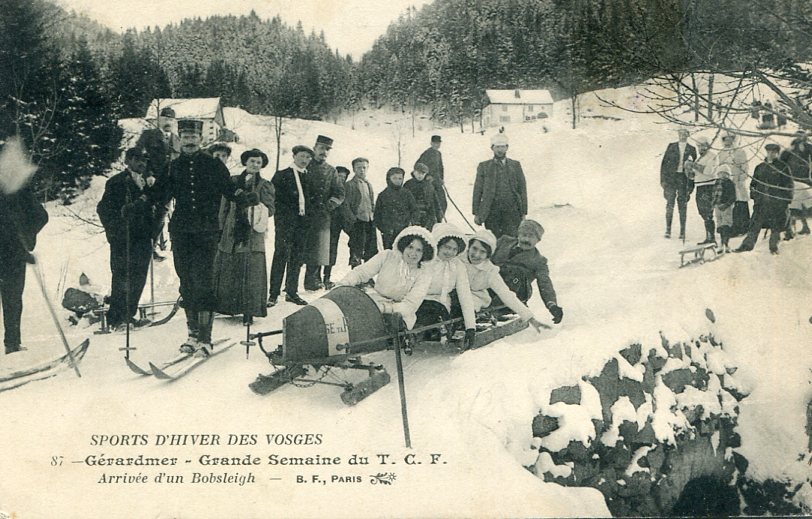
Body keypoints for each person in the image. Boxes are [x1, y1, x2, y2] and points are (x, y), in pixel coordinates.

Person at [147, 119, 255, 354]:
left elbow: (229, 188)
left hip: (206, 232)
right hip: (181, 231)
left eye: (193, 137)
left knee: (203, 282)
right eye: (185, 137)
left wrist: (244, 196)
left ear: (201, 139)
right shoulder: (172, 167)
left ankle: (205, 337)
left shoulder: (213, 165)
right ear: (180, 139)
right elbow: (160, 194)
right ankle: (192, 335)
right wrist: (140, 198)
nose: (189, 141)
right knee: (186, 282)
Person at [96, 147, 159, 331]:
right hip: (123, 239)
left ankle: (129, 316)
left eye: (144, 160)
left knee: (139, 277)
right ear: (128, 161)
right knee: (123, 276)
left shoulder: (148, 184)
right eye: (136, 159)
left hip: (143, 238)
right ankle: (117, 319)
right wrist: (115, 232)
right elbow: (103, 210)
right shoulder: (116, 182)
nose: (141, 163)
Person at [213, 148, 275, 325]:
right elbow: (224, 207)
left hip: (252, 233)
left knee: (251, 271)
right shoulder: (232, 181)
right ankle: (228, 307)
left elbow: (270, 210)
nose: (255, 164)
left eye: (258, 162)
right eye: (252, 161)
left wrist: (259, 203)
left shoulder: (265, 185)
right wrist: (221, 228)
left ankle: (249, 311)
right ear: (245, 162)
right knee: (229, 267)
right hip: (231, 231)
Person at [336, 225, 435, 330]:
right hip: (375, 302)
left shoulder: (424, 273)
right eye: (410, 247)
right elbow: (361, 273)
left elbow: (411, 305)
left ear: (424, 253)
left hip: (398, 313)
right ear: (403, 246)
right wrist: (343, 284)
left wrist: (385, 308)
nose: (413, 253)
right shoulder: (387, 256)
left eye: (419, 250)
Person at [463, 228, 547, 332]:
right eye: (474, 249)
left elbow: (506, 294)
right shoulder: (458, 260)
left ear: (488, 255)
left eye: (482, 252)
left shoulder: (490, 271)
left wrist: (530, 318)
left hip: (475, 298)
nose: (476, 255)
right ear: (469, 247)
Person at [0, 184, 48, 354]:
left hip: (12, 255)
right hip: (13, 254)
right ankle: (12, 343)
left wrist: (26, 239)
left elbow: (41, 216)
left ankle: (12, 343)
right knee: (12, 299)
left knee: (12, 299)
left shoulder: (19, 190)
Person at [413, 223, 477, 349]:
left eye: (454, 249)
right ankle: (413, 334)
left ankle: (421, 334)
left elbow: (465, 296)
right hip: (418, 303)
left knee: (437, 313)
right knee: (425, 312)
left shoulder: (457, 266)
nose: (450, 252)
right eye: (447, 247)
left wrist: (471, 327)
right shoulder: (425, 261)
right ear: (438, 245)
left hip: (442, 307)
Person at [490, 219, 563, 324]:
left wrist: (552, 305)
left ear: (538, 240)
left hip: (516, 291)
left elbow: (545, 283)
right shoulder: (504, 241)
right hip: (490, 283)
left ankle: (500, 309)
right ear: (518, 234)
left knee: (515, 272)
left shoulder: (539, 260)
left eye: (531, 236)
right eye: (524, 234)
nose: (526, 239)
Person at [268, 145, 314, 307]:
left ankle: (291, 292)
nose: (305, 160)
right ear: (294, 156)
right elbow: (275, 199)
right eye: (302, 156)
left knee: (297, 257)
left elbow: (311, 201)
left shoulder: (309, 176)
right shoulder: (282, 175)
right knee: (281, 254)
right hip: (286, 223)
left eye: (308, 158)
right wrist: (284, 217)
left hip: (303, 224)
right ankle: (273, 294)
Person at [136, 106, 180, 262]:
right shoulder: (149, 136)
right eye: (165, 119)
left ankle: (152, 248)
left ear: (174, 122)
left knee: (161, 217)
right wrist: (147, 174)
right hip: (151, 184)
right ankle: (146, 249)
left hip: (170, 187)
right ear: (159, 120)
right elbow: (138, 157)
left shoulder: (177, 140)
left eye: (171, 119)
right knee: (148, 216)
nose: (168, 122)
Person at [303, 135, 345, 291]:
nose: (324, 152)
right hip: (304, 215)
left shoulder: (331, 171)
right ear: (314, 148)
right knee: (300, 249)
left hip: (322, 216)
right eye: (321, 148)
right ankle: (290, 284)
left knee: (318, 249)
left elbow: (340, 193)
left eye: (327, 149)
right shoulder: (305, 165)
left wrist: (330, 205)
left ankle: (312, 281)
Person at [735, 143, 793, 255]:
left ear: (777, 153)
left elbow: (789, 185)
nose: (771, 154)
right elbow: (753, 184)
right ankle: (747, 246)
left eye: (773, 152)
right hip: (761, 203)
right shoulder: (760, 167)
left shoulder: (783, 167)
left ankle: (773, 247)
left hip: (776, 203)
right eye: (769, 152)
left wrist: (785, 201)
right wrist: (755, 196)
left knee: (776, 226)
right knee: (754, 224)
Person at [472, 133, 528, 239]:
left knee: (511, 239)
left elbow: (522, 189)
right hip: (492, 211)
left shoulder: (515, 165)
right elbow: (477, 190)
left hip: (512, 211)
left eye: (503, 146)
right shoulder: (484, 166)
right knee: (493, 239)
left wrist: (524, 212)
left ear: (507, 148)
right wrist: (477, 213)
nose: (500, 150)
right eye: (497, 147)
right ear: (492, 148)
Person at [659, 128, 697, 240]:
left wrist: (691, 184)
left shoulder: (692, 149)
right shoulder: (671, 146)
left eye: (685, 134)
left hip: (683, 179)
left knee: (682, 204)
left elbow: (693, 169)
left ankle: (682, 231)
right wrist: (663, 181)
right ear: (678, 134)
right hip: (671, 179)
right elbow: (664, 164)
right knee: (670, 203)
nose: (682, 136)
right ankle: (668, 230)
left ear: (688, 135)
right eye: (680, 134)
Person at [342, 157, 378, 267]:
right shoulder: (350, 185)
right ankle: (356, 277)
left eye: (364, 167)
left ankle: (367, 276)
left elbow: (371, 202)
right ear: (354, 169)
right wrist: (353, 220)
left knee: (370, 249)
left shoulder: (368, 184)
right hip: (358, 222)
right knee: (357, 249)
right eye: (359, 168)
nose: (362, 170)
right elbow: (345, 204)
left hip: (369, 221)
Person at [374, 166, 418, 249]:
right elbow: (377, 215)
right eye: (394, 178)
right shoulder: (383, 195)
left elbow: (414, 210)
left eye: (400, 178)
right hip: (389, 232)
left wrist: (411, 223)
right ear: (389, 178)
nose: (397, 181)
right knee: (390, 254)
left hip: (405, 230)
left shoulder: (407, 194)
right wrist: (384, 229)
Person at [716, 131, 750, 236]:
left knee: (739, 202)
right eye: (725, 139)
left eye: (730, 138)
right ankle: (730, 229)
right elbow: (719, 167)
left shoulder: (740, 152)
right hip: (726, 183)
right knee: (728, 204)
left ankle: (742, 228)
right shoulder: (720, 153)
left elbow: (745, 168)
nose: (728, 141)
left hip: (737, 182)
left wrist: (740, 178)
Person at [687, 136, 718, 245]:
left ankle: (712, 237)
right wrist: (688, 170)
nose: (700, 148)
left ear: (707, 145)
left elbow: (708, 171)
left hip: (708, 186)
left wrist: (694, 165)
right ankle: (708, 236)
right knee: (702, 212)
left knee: (708, 211)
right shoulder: (699, 158)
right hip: (699, 186)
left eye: (703, 146)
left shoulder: (712, 156)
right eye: (699, 146)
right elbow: (694, 176)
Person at [323, 166, 350, 290]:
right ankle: (315, 278)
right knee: (320, 249)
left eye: (344, 177)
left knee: (332, 250)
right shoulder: (328, 188)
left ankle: (326, 277)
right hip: (324, 223)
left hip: (337, 225)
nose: (341, 179)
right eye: (339, 176)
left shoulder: (343, 190)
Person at [780, 131, 812, 239]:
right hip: (792, 180)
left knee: (800, 203)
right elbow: (781, 161)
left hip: (805, 180)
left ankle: (801, 226)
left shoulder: (807, 148)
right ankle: (791, 229)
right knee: (792, 203)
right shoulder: (790, 150)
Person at [415, 135, 446, 219]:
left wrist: (441, 179)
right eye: (435, 143)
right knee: (432, 203)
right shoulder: (427, 153)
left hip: (437, 182)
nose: (437, 145)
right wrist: (427, 176)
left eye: (438, 143)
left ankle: (439, 220)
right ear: (431, 143)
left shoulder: (438, 153)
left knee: (443, 202)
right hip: (428, 183)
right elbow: (418, 166)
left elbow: (440, 167)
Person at [404, 162, 442, 230]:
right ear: (414, 172)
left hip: (427, 217)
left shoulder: (429, 186)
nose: (420, 175)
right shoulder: (408, 184)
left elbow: (435, 202)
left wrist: (439, 218)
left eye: (423, 173)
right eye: (418, 173)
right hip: (413, 216)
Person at [712, 165, 737, 253]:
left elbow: (733, 197)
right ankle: (721, 244)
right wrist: (713, 204)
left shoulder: (730, 183)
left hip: (726, 207)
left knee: (726, 224)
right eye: (720, 173)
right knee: (720, 225)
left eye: (725, 174)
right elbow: (714, 194)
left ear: (728, 174)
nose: (722, 175)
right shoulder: (716, 183)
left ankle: (726, 244)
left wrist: (727, 204)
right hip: (718, 207)